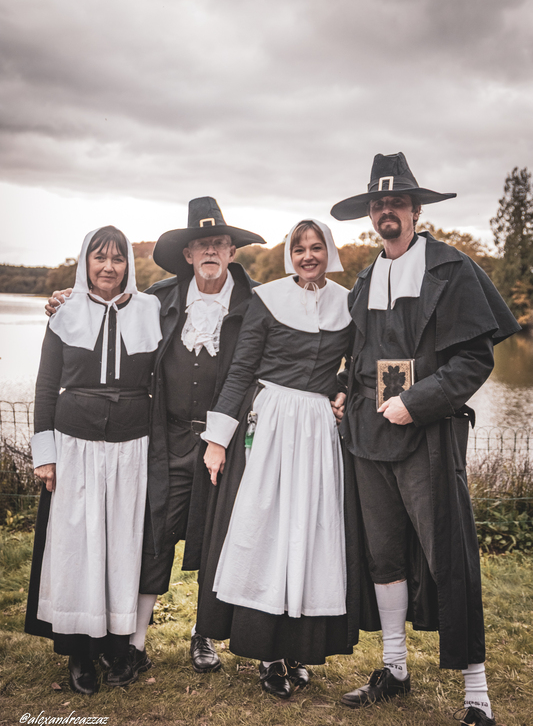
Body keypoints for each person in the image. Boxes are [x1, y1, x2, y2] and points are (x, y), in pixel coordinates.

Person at [330, 153, 520, 726]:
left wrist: (420, 401)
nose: (387, 211)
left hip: (428, 439)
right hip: (368, 437)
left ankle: (479, 703)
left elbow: (474, 361)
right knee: (383, 558)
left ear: (415, 210)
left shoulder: (452, 269)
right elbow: (359, 356)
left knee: (450, 560)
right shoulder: (364, 276)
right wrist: (344, 391)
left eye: (397, 203)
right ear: (371, 214)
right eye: (377, 204)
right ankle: (394, 668)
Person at [43, 198, 266, 677]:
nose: (210, 251)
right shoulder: (159, 300)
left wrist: (335, 386)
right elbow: (106, 310)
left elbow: (285, 354)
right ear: (187, 254)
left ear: (232, 251)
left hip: (223, 440)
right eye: (201, 244)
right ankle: (134, 644)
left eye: (219, 243)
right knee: (152, 538)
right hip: (162, 440)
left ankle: (202, 637)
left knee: (216, 537)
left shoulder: (257, 304)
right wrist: (67, 298)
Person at [197, 219, 356, 699]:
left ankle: (296, 651)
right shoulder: (268, 299)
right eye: (300, 248)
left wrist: (345, 389)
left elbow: (360, 364)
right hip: (270, 425)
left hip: (317, 431)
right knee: (267, 535)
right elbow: (242, 369)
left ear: (329, 251)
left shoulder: (347, 303)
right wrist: (218, 439)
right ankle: (267, 653)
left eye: (316, 248)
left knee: (307, 534)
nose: (308, 256)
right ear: (290, 254)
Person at [25, 226, 162, 695]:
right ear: (85, 262)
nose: (108, 267)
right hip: (74, 445)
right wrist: (45, 455)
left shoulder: (150, 310)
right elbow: (45, 385)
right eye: (99, 258)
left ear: (129, 265)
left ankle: (116, 645)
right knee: (76, 548)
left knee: (121, 547)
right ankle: (78, 651)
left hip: (131, 447)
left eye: (118, 258)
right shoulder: (65, 312)